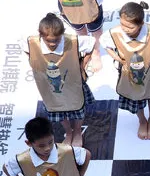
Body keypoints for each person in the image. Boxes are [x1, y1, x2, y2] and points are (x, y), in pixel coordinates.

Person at [101, 1, 150, 140]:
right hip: (129, 74)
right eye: (122, 24)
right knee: (135, 97)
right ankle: (142, 120)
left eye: (129, 26)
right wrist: (118, 59)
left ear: (141, 23)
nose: (125, 29)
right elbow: (106, 45)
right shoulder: (115, 33)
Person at [23, 13, 96, 147]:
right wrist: (35, 63)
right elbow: (27, 51)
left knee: (77, 107)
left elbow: (91, 45)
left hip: (73, 83)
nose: (52, 44)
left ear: (63, 34)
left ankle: (78, 131)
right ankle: (68, 132)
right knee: (57, 109)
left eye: (56, 40)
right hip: (49, 87)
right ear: (40, 35)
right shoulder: (31, 43)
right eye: (48, 41)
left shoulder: (74, 41)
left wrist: (82, 65)